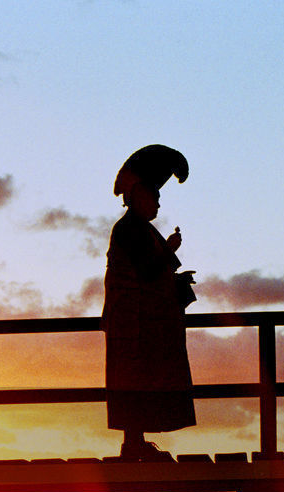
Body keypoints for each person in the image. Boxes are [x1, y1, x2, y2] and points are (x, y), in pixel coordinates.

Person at [102, 144, 196, 461]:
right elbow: (145, 272)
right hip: (136, 324)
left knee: (139, 382)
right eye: (155, 196)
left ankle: (136, 442)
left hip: (140, 323)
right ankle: (133, 443)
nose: (158, 202)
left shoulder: (136, 229)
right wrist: (169, 251)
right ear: (140, 195)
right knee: (136, 381)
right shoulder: (131, 229)